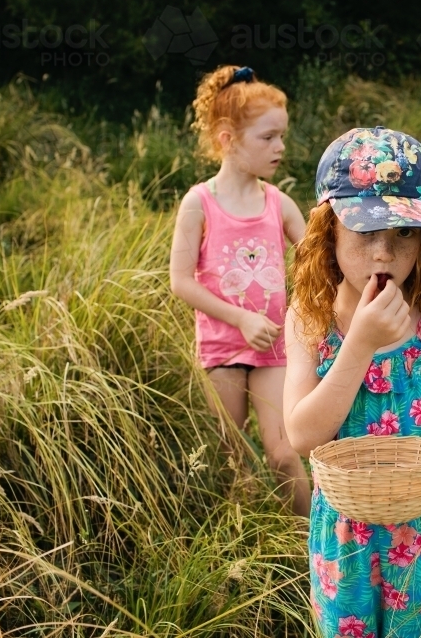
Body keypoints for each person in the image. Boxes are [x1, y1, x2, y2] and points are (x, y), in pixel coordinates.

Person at [283, 126, 421, 637]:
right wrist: (358, 343)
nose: (383, 254)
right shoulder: (310, 322)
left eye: (403, 233)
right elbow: (301, 436)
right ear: (327, 233)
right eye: (364, 232)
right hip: (344, 541)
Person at [170, 65, 311, 517]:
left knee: (284, 453)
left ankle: (314, 543)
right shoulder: (199, 203)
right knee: (237, 459)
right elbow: (181, 281)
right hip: (222, 349)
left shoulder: (279, 203)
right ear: (228, 138)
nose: (280, 147)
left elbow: (316, 261)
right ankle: (246, 541)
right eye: (267, 137)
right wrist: (241, 318)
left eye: (282, 136)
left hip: (273, 349)